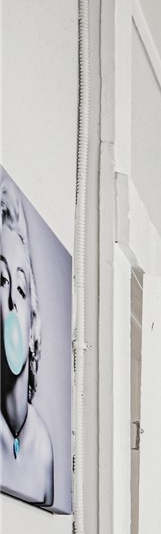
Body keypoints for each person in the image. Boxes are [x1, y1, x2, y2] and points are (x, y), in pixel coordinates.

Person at [1, 174, 57, 508]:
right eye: (1, 279)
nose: (11, 300)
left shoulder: (44, 447)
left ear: (32, 320)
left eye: (21, 288)